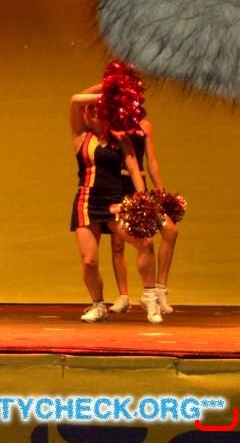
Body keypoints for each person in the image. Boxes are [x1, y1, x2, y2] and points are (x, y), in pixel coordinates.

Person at [70, 90, 161, 323]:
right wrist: (110, 88)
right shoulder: (81, 136)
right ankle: (98, 305)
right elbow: (76, 100)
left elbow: (134, 170)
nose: (92, 110)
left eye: (97, 107)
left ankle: (150, 296)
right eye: (89, 108)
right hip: (87, 201)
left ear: (106, 111)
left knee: (145, 244)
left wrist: (142, 199)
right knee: (89, 260)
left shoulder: (120, 139)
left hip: (114, 201)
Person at [108, 118, 178, 315]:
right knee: (117, 243)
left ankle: (160, 289)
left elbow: (151, 161)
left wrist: (160, 190)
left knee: (170, 231)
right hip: (117, 184)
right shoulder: (109, 123)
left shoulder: (144, 125)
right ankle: (123, 296)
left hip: (139, 184)